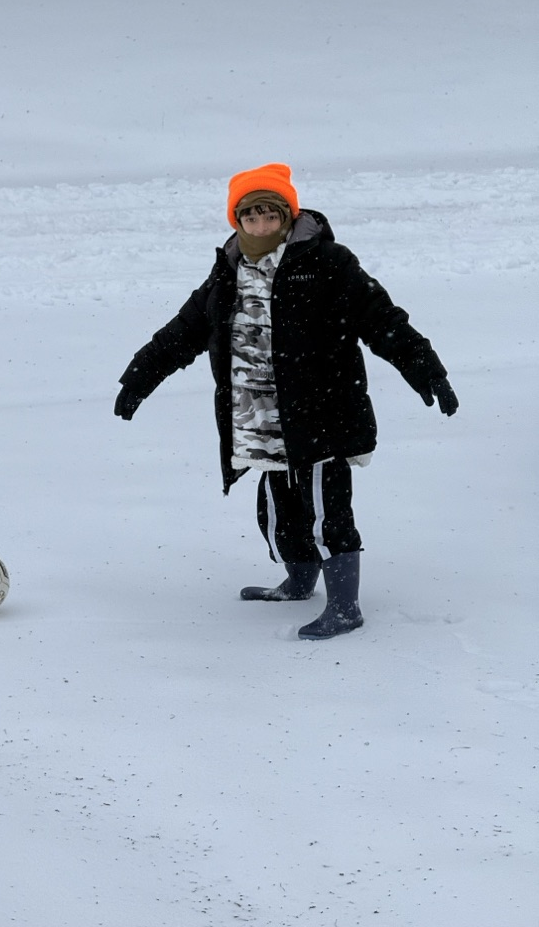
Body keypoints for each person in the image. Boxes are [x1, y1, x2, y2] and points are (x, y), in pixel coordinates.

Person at [114, 163, 458, 640]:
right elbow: (183, 331)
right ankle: (298, 583)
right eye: (249, 217)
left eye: (270, 216)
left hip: (322, 415)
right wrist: (139, 378)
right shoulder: (228, 272)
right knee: (280, 509)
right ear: (237, 221)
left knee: (326, 509)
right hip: (261, 418)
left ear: (287, 216)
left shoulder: (328, 262)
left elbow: (383, 319)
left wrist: (427, 370)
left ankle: (345, 607)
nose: (260, 227)